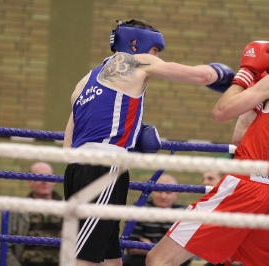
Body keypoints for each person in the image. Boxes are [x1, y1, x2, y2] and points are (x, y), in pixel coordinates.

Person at [62, 19, 234, 266]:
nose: (157, 56)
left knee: (111, 257)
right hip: (103, 170)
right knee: (84, 258)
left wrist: (126, 137)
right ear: (136, 44)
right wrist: (231, 77)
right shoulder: (136, 61)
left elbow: (69, 145)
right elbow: (203, 75)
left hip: (77, 171)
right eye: (155, 50)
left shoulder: (83, 83)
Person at [146, 41, 269, 266]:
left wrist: (246, 73)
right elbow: (240, 140)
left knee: (158, 260)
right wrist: (256, 100)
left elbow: (220, 112)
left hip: (245, 186)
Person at [125, 174, 191, 266]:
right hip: (142, 261)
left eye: (168, 193)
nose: (163, 196)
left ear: (176, 194)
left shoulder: (183, 212)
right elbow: (132, 247)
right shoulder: (139, 207)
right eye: (159, 191)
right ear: (152, 191)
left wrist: (149, 246)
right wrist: (169, 250)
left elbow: (185, 249)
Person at [6, 162, 63, 266]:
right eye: (39, 177)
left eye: (48, 176)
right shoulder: (18, 210)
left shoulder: (67, 208)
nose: (44, 181)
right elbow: (6, 246)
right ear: (29, 181)